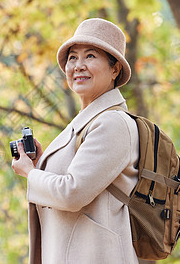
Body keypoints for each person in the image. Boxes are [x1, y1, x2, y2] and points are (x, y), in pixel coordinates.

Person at [12, 18, 140, 264]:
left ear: (115, 69)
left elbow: (72, 193)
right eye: (73, 57)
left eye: (90, 56)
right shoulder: (87, 121)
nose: (78, 66)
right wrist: (40, 165)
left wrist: (30, 173)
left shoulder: (112, 123)